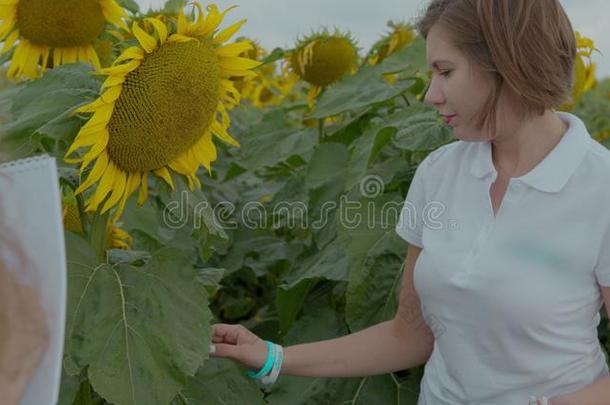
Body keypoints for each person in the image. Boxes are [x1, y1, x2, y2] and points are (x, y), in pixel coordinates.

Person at [209, 1, 610, 403]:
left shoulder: (600, 186)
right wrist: (272, 356)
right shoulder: (439, 172)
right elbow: (410, 335)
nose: (430, 95)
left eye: (445, 72)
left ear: (510, 64)